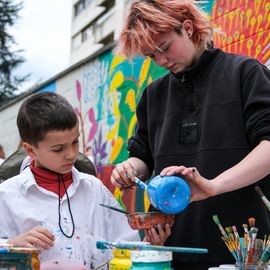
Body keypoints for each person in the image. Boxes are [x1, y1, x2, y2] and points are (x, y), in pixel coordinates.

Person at [110, 0, 270, 269]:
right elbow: (143, 158)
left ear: (187, 28)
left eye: (164, 48)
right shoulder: (153, 95)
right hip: (172, 253)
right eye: (151, 56)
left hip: (243, 256)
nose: (161, 60)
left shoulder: (245, 73)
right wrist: (129, 170)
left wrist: (214, 185)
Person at [0, 92, 170, 269]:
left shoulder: (94, 189)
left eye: (75, 142)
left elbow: (124, 246)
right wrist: (11, 245)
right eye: (58, 149)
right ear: (29, 149)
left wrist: (150, 246)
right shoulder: (6, 195)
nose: (72, 154)